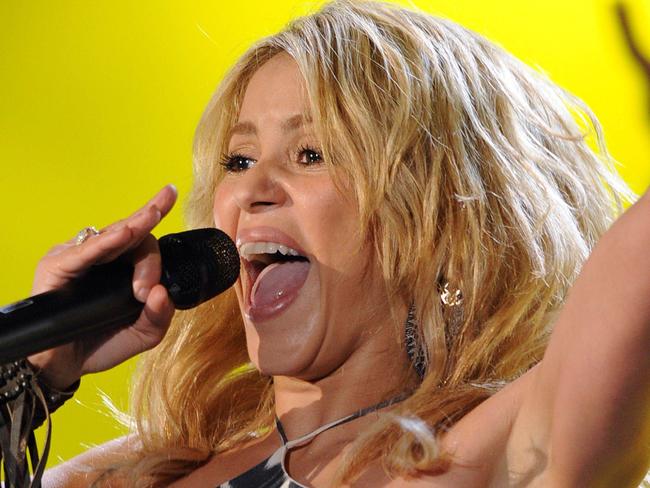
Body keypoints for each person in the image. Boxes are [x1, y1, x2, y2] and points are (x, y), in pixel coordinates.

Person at [21, 0, 649, 486]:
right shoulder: (138, 474)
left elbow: (630, 284)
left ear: (438, 218)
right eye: (238, 161)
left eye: (311, 153)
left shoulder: (489, 455)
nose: (251, 191)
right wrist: (36, 373)